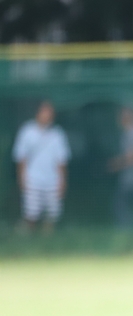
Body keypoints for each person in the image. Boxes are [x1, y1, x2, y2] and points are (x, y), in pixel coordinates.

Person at [13, 100, 71, 234]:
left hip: (52, 179)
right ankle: (29, 236)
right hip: (32, 178)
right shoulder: (27, 131)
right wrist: (21, 178)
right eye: (45, 111)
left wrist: (62, 180)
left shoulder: (57, 134)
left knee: (52, 212)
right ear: (38, 113)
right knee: (31, 211)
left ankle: (47, 238)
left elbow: (61, 160)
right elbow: (21, 157)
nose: (48, 115)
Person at [108, 107, 133, 230]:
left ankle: (129, 228)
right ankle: (132, 228)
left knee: (120, 204)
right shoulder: (126, 133)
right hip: (129, 178)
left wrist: (117, 164)